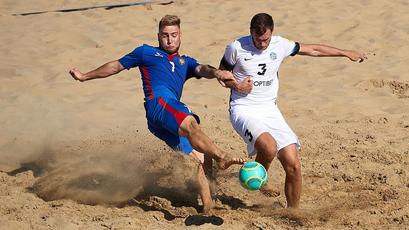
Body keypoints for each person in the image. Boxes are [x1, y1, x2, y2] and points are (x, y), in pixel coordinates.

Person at [69, 15, 245, 213]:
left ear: (180, 36)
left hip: (161, 122)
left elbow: (202, 68)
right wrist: (85, 76)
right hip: (159, 105)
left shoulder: (184, 62)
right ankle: (222, 155)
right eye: (165, 35)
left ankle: (207, 206)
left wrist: (217, 73)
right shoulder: (146, 53)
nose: (169, 40)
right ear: (158, 36)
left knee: (203, 157)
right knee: (191, 124)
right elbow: (115, 66)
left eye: (174, 35)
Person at [219, 13, 367, 208]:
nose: (262, 44)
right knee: (269, 147)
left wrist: (345, 52)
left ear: (272, 32)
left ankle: (293, 212)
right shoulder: (236, 48)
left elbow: (313, 50)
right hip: (243, 109)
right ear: (251, 33)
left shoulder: (280, 45)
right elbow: (221, 73)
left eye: (266, 39)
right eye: (258, 39)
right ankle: (258, 176)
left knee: (293, 164)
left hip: (270, 109)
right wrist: (237, 86)